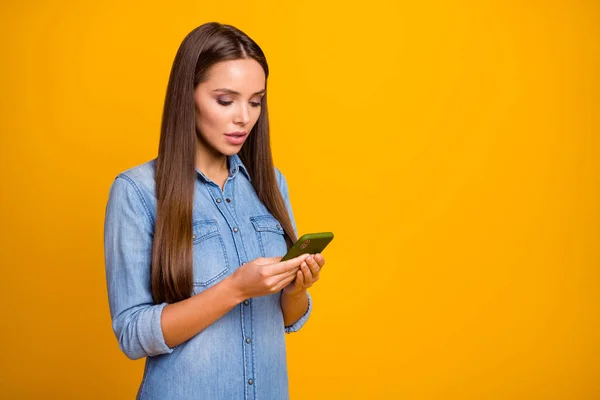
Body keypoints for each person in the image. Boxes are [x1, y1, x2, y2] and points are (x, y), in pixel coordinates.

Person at [103, 22, 326, 399]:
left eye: (255, 101)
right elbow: (132, 334)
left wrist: (296, 289)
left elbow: (286, 319)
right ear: (186, 96)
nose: (244, 117)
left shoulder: (271, 183)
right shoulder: (137, 192)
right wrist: (236, 289)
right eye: (226, 100)